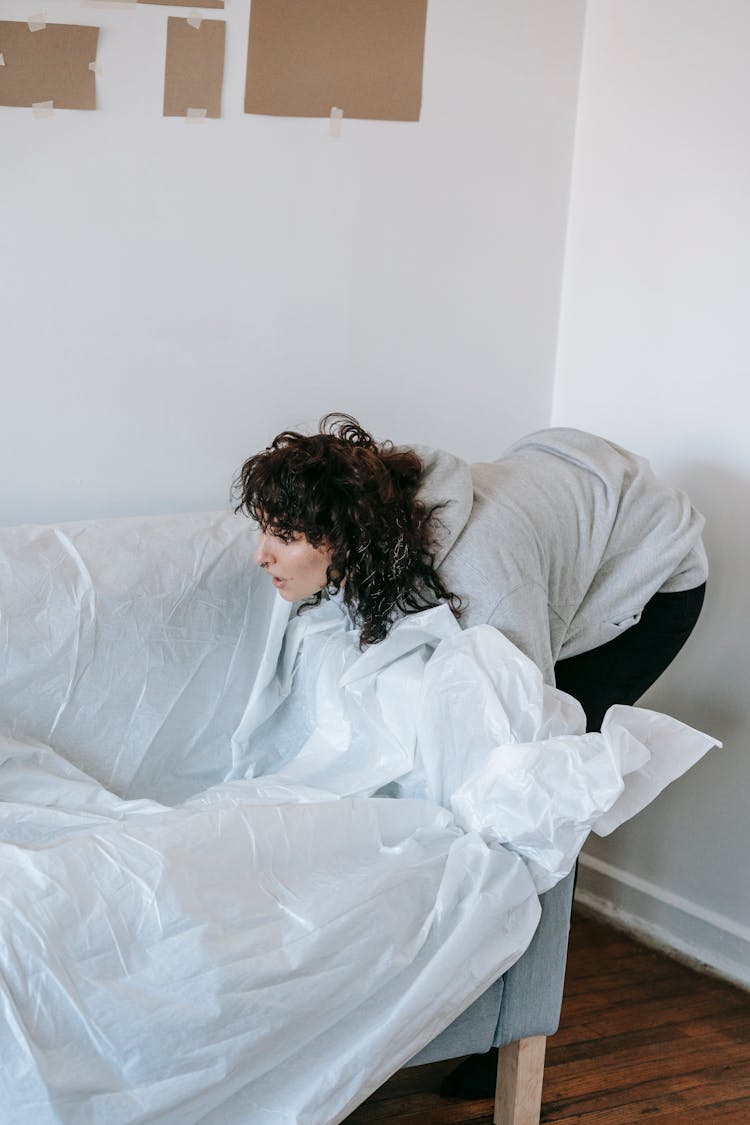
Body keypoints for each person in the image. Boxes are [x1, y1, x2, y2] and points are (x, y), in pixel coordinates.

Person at [234, 412, 707, 1097]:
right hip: (566, 504)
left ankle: (514, 1026)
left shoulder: (488, 585)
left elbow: (527, 761)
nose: (260, 554)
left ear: (341, 536)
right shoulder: (382, 526)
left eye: (281, 536)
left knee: (546, 788)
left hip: (656, 573)